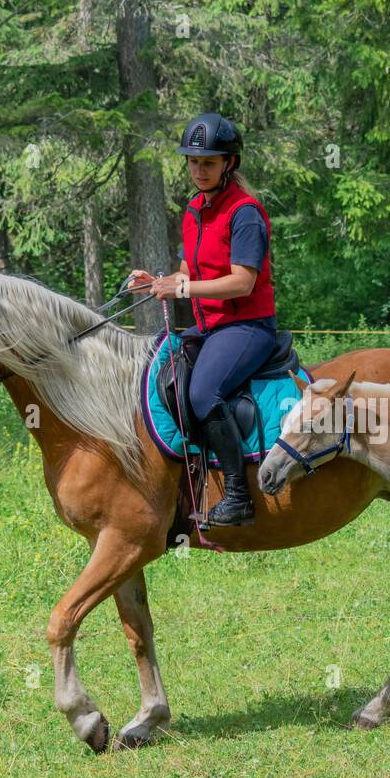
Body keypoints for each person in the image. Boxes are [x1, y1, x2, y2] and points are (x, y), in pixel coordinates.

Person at [129, 112, 277, 527]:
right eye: (193, 162)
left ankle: (238, 496)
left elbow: (242, 283)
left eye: (209, 162)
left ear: (230, 163)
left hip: (247, 326)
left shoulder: (245, 213)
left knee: (202, 392)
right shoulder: (194, 209)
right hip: (210, 327)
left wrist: (181, 289)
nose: (199, 169)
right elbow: (187, 275)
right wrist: (157, 282)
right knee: (163, 379)